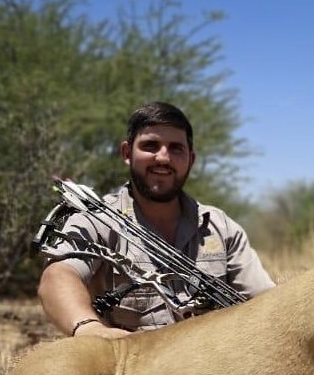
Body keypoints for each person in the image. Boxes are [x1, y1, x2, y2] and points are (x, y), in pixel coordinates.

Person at [38, 101, 274, 338]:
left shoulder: (221, 227)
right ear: (127, 153)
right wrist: (90, 328)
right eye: (151, 146)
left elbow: (266, 301)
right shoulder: (95, 221)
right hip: (132, 367)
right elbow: (57, 278)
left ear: (191, 160)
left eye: (175, 148)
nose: (163, 158)